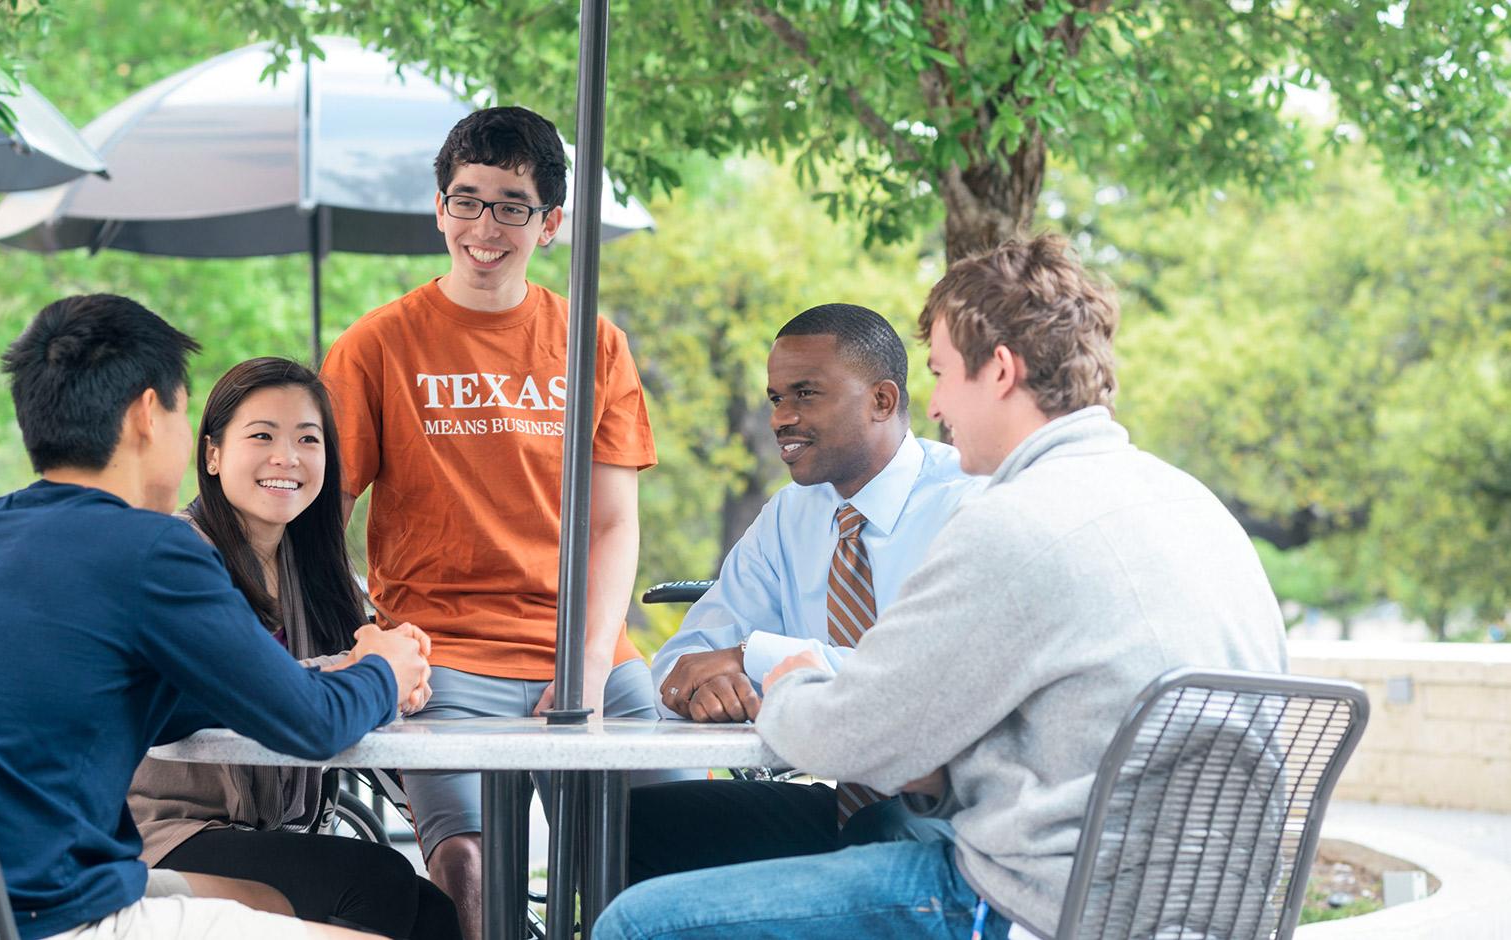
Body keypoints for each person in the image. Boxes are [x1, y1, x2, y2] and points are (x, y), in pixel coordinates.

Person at [592, 235, 1289, 940]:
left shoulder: (1011, 521)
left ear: (1001, 373)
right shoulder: (1192, 505)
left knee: (636, 925)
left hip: (1029, 902)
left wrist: (785, 669)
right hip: (1193, 905)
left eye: (943, 373)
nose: (934, 407)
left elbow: (852, 732)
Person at [0, 294, 432, 940]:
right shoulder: (149, 547)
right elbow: (313, 725)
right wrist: (384, 670)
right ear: (148, 414)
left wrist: (324, 673)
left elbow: (134, 701)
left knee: (268, 898)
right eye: (182, 411)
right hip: (54, 918)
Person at [318, 105, 675, 937]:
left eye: (511, 204)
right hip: (443, 658)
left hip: (584, 655)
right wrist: (369, 634)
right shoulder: (376, 345)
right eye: (467, 199)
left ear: (550, 223)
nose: (485, 225)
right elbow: (320, 519)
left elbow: (614, 525)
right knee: (470, 869)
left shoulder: (593, 342)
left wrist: (588, 659)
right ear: (439, 208)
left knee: (682, 844)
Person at [629, 302, 978, 882]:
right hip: (849, 810)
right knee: (635, 823)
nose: (781, 418)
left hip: (962, 816)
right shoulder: (791, 516)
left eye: (806, 394)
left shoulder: (967, 504)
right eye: (775, 398)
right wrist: (707, 684)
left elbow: (916, 685)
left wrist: (751, 658)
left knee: (884, 835)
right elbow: (681, 658)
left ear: (882, 401)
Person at [126, 357, 459, 939]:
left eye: (309, 439)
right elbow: (245, 686)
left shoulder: (311, 566)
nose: (288, 458)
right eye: (262, 436)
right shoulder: (181, 554)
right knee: (374, 880)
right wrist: (365, 669)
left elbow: (349, 681)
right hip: (168, 831)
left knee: (433, 910)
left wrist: (405, 680)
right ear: (212, 454)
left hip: (271, 830)